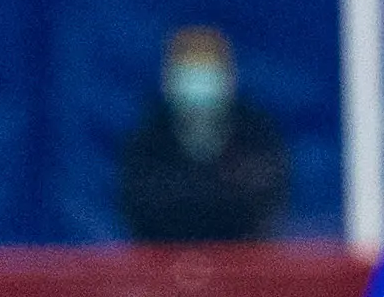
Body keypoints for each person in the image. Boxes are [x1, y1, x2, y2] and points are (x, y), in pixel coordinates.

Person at [119, 26, 287, 245]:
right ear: (168, 80)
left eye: (207, 74)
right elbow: (140, 206)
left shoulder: (257, 137)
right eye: (188, 74)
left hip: (244, 265)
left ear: (229, 78)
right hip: (162, 264)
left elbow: (265, 206)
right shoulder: (146, 142)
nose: (198, 85)